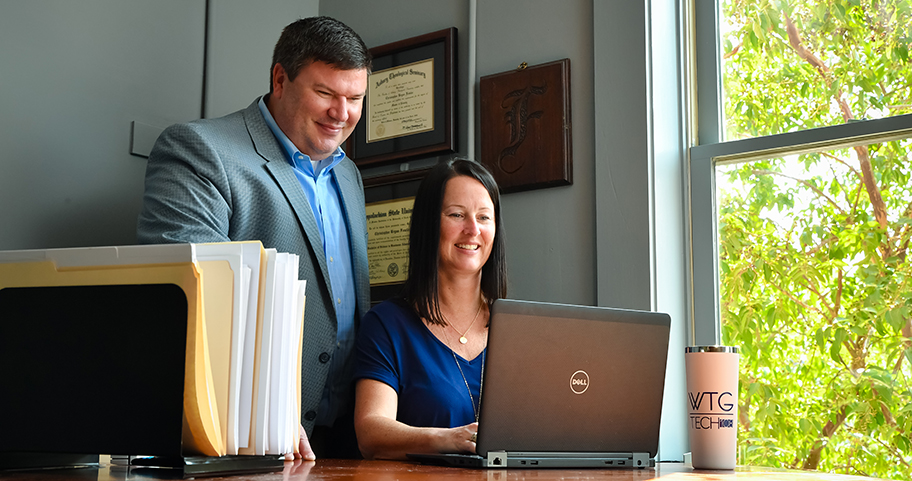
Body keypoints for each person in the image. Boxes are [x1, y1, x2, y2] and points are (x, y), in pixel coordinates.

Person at [136, 16, 372, 460]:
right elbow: (187, 303)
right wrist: (265, 412)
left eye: (355, 98)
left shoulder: (348, 173)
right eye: (325, 94)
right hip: (247, 439)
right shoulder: (200, 151)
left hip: (341, 440)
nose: (342, 114)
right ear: (280, 79)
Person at [352, 158, 508, 460]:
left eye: (484, 217)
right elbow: (370, 431)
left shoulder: (518, 327)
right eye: (456, 214)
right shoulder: (386, 325)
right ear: (429, 223)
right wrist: (448, 439)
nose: (472, 229)